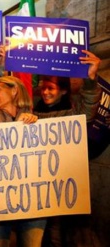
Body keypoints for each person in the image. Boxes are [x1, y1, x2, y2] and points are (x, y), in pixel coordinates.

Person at [31, 50, 102, 247]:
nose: (45, 92)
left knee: (58, 234)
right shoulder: (32, 113)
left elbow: (88, 107)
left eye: (51, 88)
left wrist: (90, 79)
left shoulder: (72, 114)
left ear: (63, 90)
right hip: (37, 184)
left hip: (62, 184)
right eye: (44, 88)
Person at [0, 76, 40, 247]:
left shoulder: (37, 120)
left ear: (14, 90)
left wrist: (90, 82)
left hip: (33, 203)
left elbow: (83, 114)